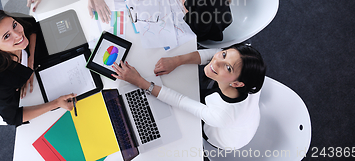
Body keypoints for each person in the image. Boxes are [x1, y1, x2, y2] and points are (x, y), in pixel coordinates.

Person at [112, 43, 266, 150]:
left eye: (227, 67)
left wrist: (140, 82)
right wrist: (177, 60)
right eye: (224, 54)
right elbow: (215, 53)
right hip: (246, 118)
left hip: (226, 136)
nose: (216, 61)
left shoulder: (221, 116)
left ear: (238, 84)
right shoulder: (251, 75)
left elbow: (181, 101)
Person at [0, 9, 75, 126]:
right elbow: (12, 117)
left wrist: (30, 61)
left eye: (15, 25)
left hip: (39, 58)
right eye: (7, 36)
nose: (18, 35)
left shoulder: (9, 21)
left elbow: (31, 24)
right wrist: (56, 103)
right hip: (31, 94)